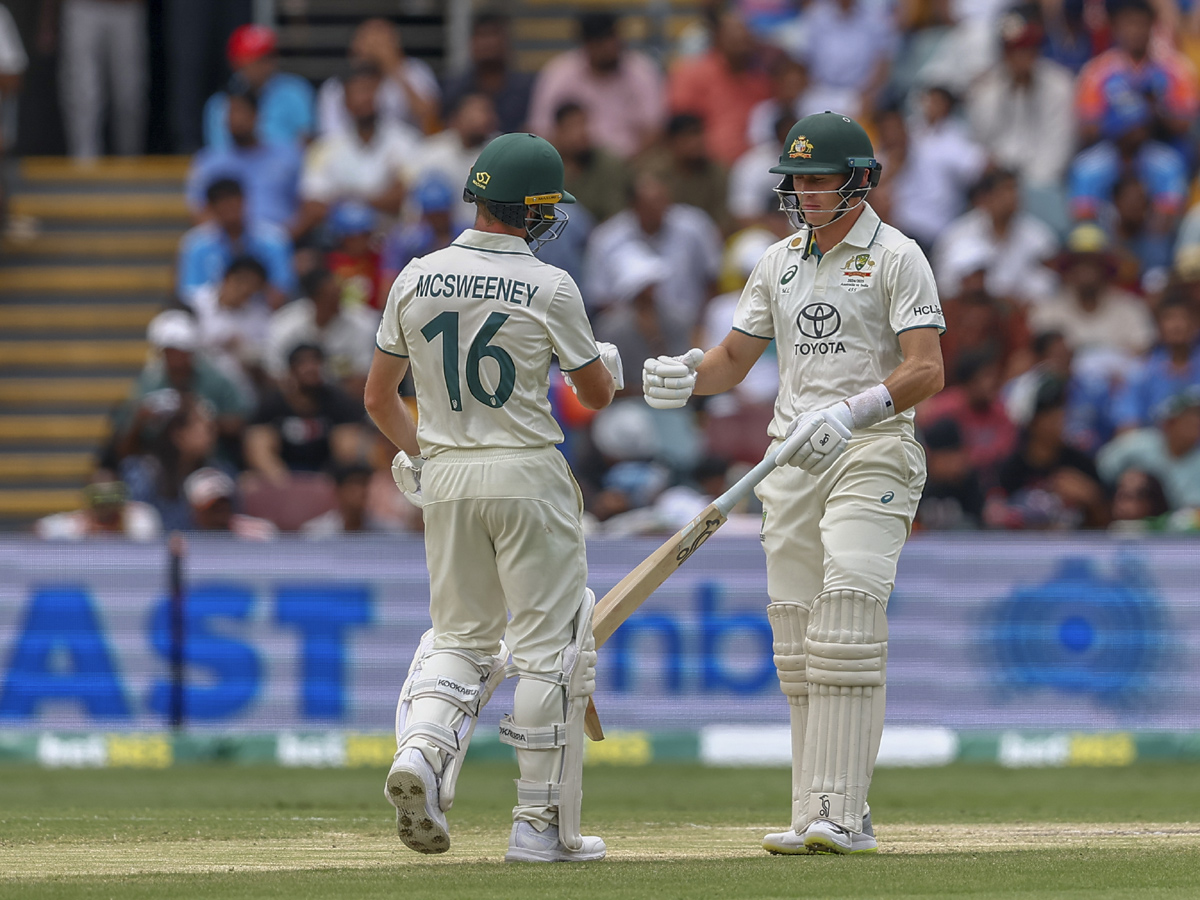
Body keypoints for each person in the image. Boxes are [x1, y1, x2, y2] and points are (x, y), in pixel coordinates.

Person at [640, 112, 944, 854]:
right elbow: (733, 361)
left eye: (818, 179)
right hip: (790, 463)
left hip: (872, 450)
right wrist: (686, 376)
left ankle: (841, 813)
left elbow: (926, 368)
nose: (805, 192)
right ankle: (817, 810)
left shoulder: (899, 256)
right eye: (797, 180)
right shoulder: (777, 261)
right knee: (800, 645)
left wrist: (853, 409)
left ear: (858, 181)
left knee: (846, 617)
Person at [364, 132, 618, 861]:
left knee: (459, 639)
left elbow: (380, 397)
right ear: (532, 210)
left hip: (445, 479)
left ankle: (421, 750)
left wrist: (422, 455)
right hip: (527, 474)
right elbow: (595, 395)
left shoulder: (414, 276)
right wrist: (603, 362)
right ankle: (537, 829)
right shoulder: (550, 284)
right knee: (549, 653)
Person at [296, 63, 421, 239]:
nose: (365, 98)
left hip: (394, 242)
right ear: (345, 102)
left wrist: (346, 198)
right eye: (358, 92)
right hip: (342, 244)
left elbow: (404, 199)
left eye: (370, 90)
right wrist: (381, 197)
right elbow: (313, 206)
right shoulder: (323, 149)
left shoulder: (406, 141)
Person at [583, 171, 722, 322]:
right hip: (631, 330)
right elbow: (600, 297)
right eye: (652, 203)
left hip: (692, 324)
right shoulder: (606, 238)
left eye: (663, 200)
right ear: (634, 205)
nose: (660, 208)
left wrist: (702, 325)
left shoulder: (695, 226)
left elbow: (712, 279)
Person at [112, 310, 250, 462]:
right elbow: (123, 443)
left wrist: (202, 419)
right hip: (156, 461)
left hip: (210, 460)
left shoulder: (214, 378)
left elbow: (239, 420)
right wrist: (141, 419)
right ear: (161, 352)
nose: (176, 357)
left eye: (182, 351)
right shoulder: (148, 382)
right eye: (170, 351)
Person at [527, 11, 664, 160]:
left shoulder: (641, 71)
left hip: (634, 163)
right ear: (586, 44)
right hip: (575, 164)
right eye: (601, 41)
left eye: (612, 38)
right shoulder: (559, 74)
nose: (610, 47)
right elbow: (541, 130)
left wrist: (621, 168)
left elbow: (655, 130)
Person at [1030, 222, 1155, 363]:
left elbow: (1142, 353)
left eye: (1093, 264)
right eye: (1079, 264)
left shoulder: (1131, 308)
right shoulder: (1048, 311)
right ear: (1068, 270)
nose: (1086, 272)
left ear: (1105, 269)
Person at [245, 343, 366, 487]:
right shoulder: (271, 403)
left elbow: (347, 451)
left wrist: (326, 481)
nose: (310, 368)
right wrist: (284, 482)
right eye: (303, 363)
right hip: (281, 475)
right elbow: (258, 448)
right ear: (290, 370)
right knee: (249, 483)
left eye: (316, 361)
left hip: (326, 476)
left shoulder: (340, 402)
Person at [42, 0, 145, 161]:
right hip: (82, 7)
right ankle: (84, 164)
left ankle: (130, 160)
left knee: (129, 94)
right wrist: (47, 21)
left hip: (126, 8)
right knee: (83, 93)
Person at [666, 9, 772, 166]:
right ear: (717, 37)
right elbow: (681, 127)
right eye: (733, 34)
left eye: (744, 34)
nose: (740, 39)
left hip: (754, 167)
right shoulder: (691, 74)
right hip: (704, 167)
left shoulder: (761, 81)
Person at [185, 90, 303, 229]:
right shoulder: (208, 161)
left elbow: (306, 204)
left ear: (256, 115)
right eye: (229, 113)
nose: (234, 119)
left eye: (239, 111)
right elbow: (198, 210)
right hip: (226, 244)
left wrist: (280, 241)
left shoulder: (288, 155)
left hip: (285, 241)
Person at [177, 177, 295, 306]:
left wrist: (249, 291)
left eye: (233, 202)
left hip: (263, 313)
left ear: (244, 201)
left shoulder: (273, 240)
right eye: (223, 204)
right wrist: (224, 296)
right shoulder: (196, 244)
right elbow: (189, 292)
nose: (229, 209)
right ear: (211, 208)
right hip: (212, 314)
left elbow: (283, 288)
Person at [316, 18, 439, 136]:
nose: (376, 47)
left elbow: (430, 121)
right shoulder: (335, 87)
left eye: (382, 41)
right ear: (355, 45)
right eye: (369, 40)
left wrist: (393, 67)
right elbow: (331, 141)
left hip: (410, 153)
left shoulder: (415, 70)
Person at [264, 268, 378, 394]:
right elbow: (275, 374)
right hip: (295, 400)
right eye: (330, 296)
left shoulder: (363, 324)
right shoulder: (284, 324)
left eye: (338, 293)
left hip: (344, 403)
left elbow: (363, 379)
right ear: (313, 298)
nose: (337, 300)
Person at [202, 24, 315, 151]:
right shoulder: (220, 104)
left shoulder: (295, 90)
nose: (266, 65)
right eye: (256, 58)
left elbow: (307, 143)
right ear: (236, 61)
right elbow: (220, 152)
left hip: (287, 167)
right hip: (235, 169)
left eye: (270, 56)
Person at [402, 92, 497, 234]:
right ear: (455, 119)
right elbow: (409, 196)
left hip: (486, 237)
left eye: (485, 112)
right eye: (473, 114)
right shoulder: (432, 151)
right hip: (439, 238)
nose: (481, 119)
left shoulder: (501, 152)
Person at [187, 255, 271, 404]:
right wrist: (216, 341)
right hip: (196, 385)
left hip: (238, 392)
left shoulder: (260, 317)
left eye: (253, 286)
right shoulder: (195, 304)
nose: (245, 289)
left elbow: (262, 358)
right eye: (241, 282)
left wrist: (244, 351)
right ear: (227, 278)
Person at [1098, 389, 1200, 509]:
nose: (1195, 426)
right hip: (1127, 520)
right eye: (1190, 419)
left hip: (1178, 524)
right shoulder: (1137, 443)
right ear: (1170, 423)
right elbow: (1102, 470)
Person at [1112, 292, 1200, 430]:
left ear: (1196, 324)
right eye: (1169, 318)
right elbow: (1127, 423)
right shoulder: (1141, 371)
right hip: (1155, 444)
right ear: (1158, 326)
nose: (1177, 325)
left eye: (1184, 318)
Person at [441, 12, 533, 134]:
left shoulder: (528, 88)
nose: (488, 43)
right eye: (482, 35)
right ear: (471, 42)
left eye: (493, 35)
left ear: (506, 41)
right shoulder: (453, 88)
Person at [640, 113, 732, 235]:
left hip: (709, 240)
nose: (695, 142)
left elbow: (723, 220)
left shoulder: (716, 173)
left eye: (698, 134)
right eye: (688, 136)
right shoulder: (654, 173)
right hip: (662, 239)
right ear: (672, 141)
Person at [551, 102, 633, 225]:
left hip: (603, 235)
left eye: (584, 124)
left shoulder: (608, 164)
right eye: (572, 126)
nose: (581, 132)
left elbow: (615, 215)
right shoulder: (545, 167)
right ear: (558, 132)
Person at [34, 471, 161, 541]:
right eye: (99, 502)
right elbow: (36, 531)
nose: (106, 508)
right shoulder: (75, 525)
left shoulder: (140, 517)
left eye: (111, 499)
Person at [183, 467, 277, 540]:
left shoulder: (255, 534)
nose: (221, 515)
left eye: (224, 504)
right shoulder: (183, 539)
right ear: (195, 510)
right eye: (214, 508)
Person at [301, 462, 392, 536]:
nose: (362, 491)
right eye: (355, 484)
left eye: (365, 484)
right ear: (339, 490)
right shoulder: (316, 532)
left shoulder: (387, 531)